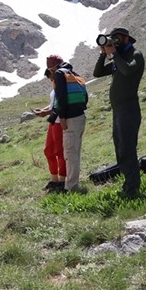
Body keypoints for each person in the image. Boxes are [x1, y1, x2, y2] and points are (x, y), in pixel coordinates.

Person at [93, 27, 145, 198]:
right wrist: (104, 53)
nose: (114, 40)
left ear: (126, 39)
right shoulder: (119, 58)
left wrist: (114, 54)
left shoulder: (135, 55)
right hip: (118, 111)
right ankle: (128, 184)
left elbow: (128, 71)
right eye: (112, 38)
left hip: (129, 110)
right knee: (120, 148)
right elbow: (98, 72)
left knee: (128, 148)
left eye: (116, 38)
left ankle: (132, 189)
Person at [47, 54, 88, 193]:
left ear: (54, 68)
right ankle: (72, 184)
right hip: (80, 116)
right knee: (75, 152)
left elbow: (61, 97)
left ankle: (71, 187)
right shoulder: (74, 74)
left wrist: (62, 117)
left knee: (70, 154)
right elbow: (85, 97)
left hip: (70, 118)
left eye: (50, 69)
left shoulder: (59, 74)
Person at [34, 68, 65, 192]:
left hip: (60, 122)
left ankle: (62, 181)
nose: (51, 81)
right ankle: (54, 179)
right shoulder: (55, 88)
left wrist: (46, 112)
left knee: (60, 152)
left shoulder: (62, 86)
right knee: (49, 151)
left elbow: (61, 105)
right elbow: (53, 104)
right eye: (50, 79)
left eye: (51, 78)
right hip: (53, 122)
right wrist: (43, 110)